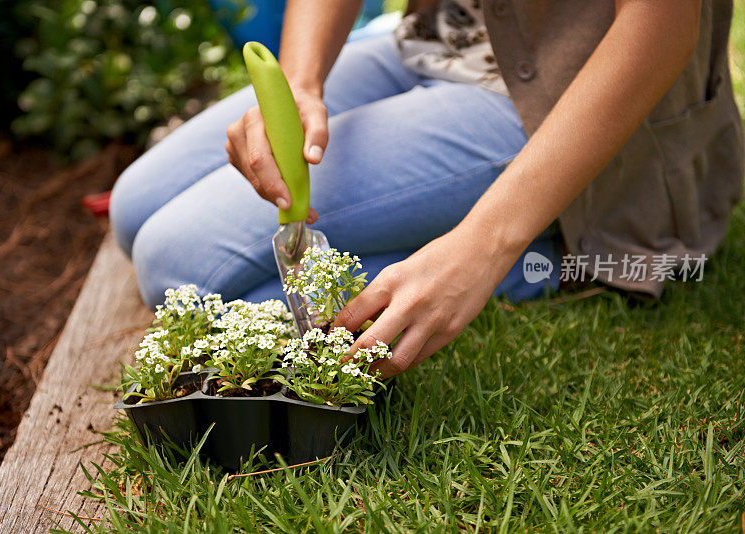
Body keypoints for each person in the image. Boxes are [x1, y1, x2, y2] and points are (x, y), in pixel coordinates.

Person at [110, 0, 743, 378]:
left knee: (176, 262)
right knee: (134, 209)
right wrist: (302, 85)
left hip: (562, 90)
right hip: (436, 39)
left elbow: (663, 24)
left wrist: (480, 249)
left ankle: (552, 250)